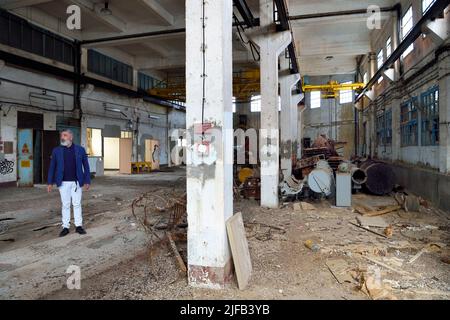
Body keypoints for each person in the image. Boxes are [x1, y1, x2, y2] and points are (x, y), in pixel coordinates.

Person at [47, 129, 90, 237]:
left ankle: (78, 226)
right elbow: (52, 167)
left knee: (76, 204)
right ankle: (65, 227)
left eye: (65, 135)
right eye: (62, 135)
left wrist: (87, 181)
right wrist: (50, 182)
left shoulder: (80, 150)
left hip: (76, 182)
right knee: (65, 205)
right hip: (63, 183)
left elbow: (86, 166)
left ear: (71, 137)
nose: (63, 137)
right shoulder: (56, 151)